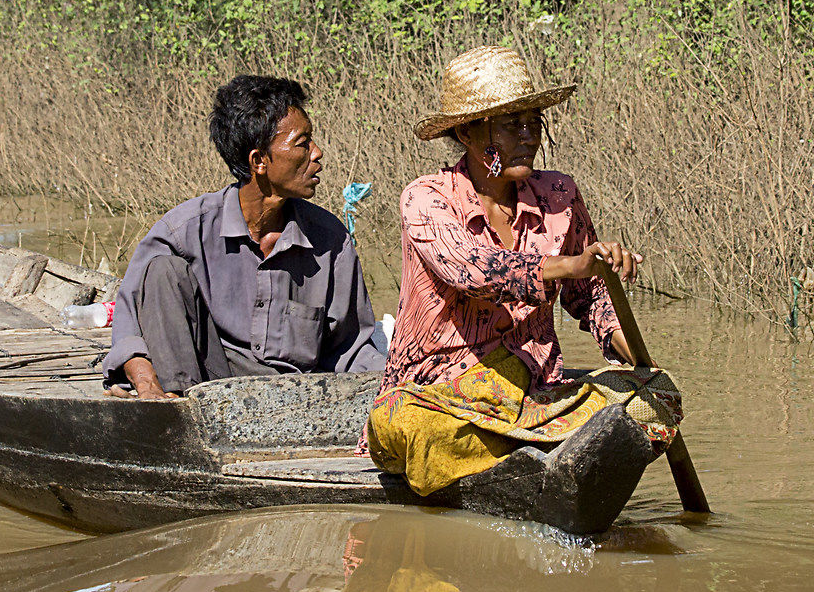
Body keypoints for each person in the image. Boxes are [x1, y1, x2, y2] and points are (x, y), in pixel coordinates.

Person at [367, 46, 679, 495]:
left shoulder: (559, 193)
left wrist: (627, 347)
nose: (530, 136)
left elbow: (588, 295)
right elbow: (473, 270)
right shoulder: (425, 198)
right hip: (443, 396)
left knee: (657, 400)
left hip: (535, 393)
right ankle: (525, 457)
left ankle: (529, 452)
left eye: (535, 122)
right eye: (513, 124)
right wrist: (569, 264)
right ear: (469, 133)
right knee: (411, 429)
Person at [103, 74, 386, 399]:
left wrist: (393, 392)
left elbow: (351, 349)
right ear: (259, 161)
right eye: (302, 143)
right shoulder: (183, 231)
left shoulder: (331, 241)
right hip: (203, 388)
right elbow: (128, 322)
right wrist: (146, 383)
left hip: (293, 401)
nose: (317, 153)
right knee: (163, 272)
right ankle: (178, 414)